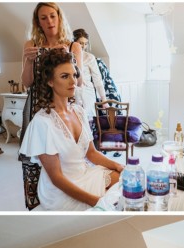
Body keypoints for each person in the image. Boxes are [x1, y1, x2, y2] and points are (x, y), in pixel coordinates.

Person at [19, 48, 123, 210]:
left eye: (74, 75)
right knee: (110, 203)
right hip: (59, 191)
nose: (73, 81)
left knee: (127, 181)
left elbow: (92, 153)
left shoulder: (79, 111)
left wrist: (118, 166)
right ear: (50, 81)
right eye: (64, 76)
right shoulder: (42, 123)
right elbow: (56, 178)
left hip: (84, 174)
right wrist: (95, 201)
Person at [20, 1, 84, 210]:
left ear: (59, 17)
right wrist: (28, 61)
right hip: (36, 108)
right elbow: (27, 83)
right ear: (37, 22)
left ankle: (68, 202)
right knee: (34, 164)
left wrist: (69, 58)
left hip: (62, 108)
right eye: (43, 18)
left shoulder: (74, 45)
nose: (49, 21)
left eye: (52, 16)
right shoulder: (31, 45)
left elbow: (79, 81)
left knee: (65, 161)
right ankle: (36, 206)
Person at [71, 29, 106, 121]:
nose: (83, 46)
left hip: (87, 92)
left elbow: (97, 79)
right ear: (74, 42)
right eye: (80, 43)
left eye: (85, 43)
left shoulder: (89, 57)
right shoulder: (68, 56)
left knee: (87, 121)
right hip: (72, 92)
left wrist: (104, 100)